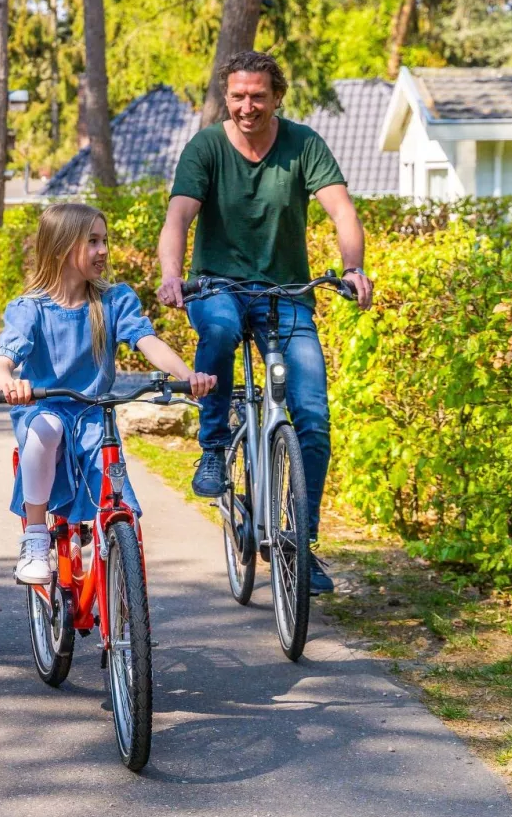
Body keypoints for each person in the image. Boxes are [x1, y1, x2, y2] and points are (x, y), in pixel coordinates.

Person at [156, 49, 374, 595]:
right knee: (222, 331)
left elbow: (342, 210)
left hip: (286, 292)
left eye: (257, 96)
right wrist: (171, 275)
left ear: (277, 96)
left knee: (313, 417)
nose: (246, 106)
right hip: (217, 287)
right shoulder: (206, 146)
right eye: (237, 96)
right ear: (225, 98)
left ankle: (301, 544)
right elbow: (179, 216)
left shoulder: (303, 145)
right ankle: (212, 447)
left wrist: (353, 268)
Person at [0, 203, 215, 585]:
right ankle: (36, 536)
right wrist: (10, 383)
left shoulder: (113, 300)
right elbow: (1, 362)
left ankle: (112, 562)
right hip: (46, 406)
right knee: (45, 431)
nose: (104, 250)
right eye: (92, 241)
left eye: (104, 240)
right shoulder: (30, 309)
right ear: (61, 248)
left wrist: (187, 375)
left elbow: (147, 341)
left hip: (95, 413)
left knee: (115, 497)